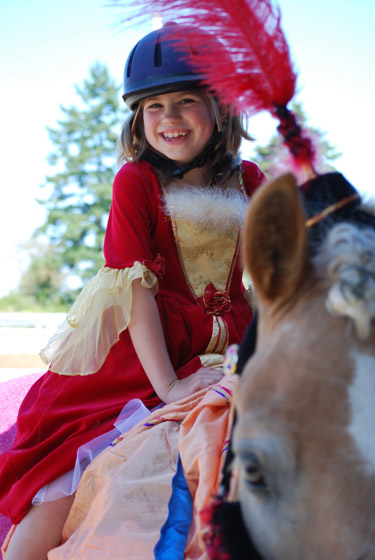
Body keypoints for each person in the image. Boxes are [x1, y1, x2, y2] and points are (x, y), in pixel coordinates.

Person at [0, 22, 265, 559]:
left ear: (221, 110)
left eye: (186, 101)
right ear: (136, 118)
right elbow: (134, 290)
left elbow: (276, 275)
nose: (168, 118)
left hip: (225, 348)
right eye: (153, 106)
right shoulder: (137, 182)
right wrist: (166, 388)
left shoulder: (251, 181)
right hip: (142, 360)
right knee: (60, 480)